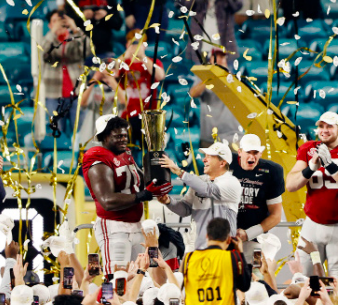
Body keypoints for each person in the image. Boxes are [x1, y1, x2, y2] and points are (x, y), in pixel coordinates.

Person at [82, 115, 172, 278]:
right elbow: (107, 201)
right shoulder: (97, 157)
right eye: (118, 136)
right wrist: (142, 196)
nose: (123, 139)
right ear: (104, 136)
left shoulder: (125, 154)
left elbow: (139, 182)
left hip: (136, 225)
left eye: (124, 135)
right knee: (119, 279)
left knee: (142, 277)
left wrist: (157, 176)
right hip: (114, 226)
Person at [286, 112, 338, 284]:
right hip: (312, 224)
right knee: (302, 280)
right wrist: (310, 168)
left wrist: (331, 167)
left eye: (329, 126)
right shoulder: (308, 148)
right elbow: (291, 185)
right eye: (321, 126)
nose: (324, 130)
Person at [157, 142, 242, 250]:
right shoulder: (199, 181)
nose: (204, 160)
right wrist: (168, 201)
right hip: (197, 248)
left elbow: (208, 190)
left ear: (222, 163)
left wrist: (179, 171)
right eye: (205, 156)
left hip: (223, 249)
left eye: (209, 157)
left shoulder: (232, 183)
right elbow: (185, 209)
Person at [229, 134, 285, 261]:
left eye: (256, 152)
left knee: (259, 273)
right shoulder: (225, 163)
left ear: (261, 153)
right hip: (225, 238)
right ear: (239, 152)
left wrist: (248, 234)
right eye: (248, 152)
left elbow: (276, 215)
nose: (252, 156)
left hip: (256, 239)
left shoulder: (272, 171)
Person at [181, 217, 251, 305]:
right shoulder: (232, 257)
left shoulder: (189, 258)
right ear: (228, 239)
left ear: (206, 236)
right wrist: (240, 253)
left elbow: (179, 286)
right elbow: (245, 285)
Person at [42, 9, 90, 136]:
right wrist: (53, 32)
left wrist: (75, 28)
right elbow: (44, 54)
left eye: (62, 22)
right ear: (49, 25)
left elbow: (88, 50)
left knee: (81, 133)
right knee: (55, 133)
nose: (59, 25)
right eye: (55, 22)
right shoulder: (46, 40)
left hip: (76, 93)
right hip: (54, 95)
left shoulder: (75, 39)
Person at [118, 29, 166, 148]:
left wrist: (143, 57)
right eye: (133, 43)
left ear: (144, 45)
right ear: (127, 45)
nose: (135, 46)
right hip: (127, 115)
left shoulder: (153, 61)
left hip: (148, 116)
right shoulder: (123, 63)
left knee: (151, 153)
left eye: (138, 43)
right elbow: (110, 72)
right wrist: (126, 55)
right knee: (124, 153)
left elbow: (160, 76)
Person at [189, 48, 243, 148]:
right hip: (210, 136)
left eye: (222, 57)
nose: (220, 59)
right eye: (216, 56)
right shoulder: (203, 77)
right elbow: (193, 93)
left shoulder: (234, 77)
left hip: (233, 135)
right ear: (210, 59)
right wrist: (209, 77)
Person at [181, 0, 242, 66]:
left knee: (224, 75)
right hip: (200, 47)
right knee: (200, 75)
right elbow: (184, 6)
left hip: (225, 47)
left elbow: (237, 5)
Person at [79, 68, 126, 148]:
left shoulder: (120, 92)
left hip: (112, 144)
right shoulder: (93, 90)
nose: (106, 79)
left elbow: (125, 102)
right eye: (103, 76)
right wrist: (95, 78)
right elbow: (82, 102)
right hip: (89, 141)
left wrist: (110, 79)